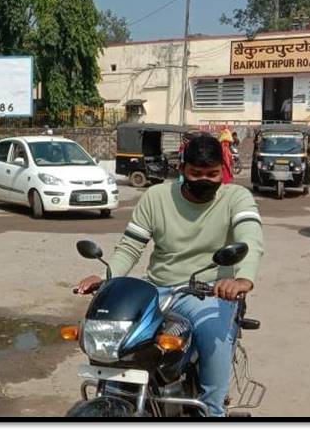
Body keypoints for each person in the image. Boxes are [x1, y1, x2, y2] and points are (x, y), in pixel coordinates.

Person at [75, 134, 264, 417]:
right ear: (182, 169)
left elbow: (251, 238)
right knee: (124, 340)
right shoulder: (157, 197)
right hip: (158, 288)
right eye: (196, 173)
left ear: (222, 172)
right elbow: (130, 246)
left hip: (208, 291)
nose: (204, 180)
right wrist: (106, 276)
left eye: (212, 174)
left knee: (214, 336)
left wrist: (242, 279)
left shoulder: (236, 198)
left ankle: (212, 411)